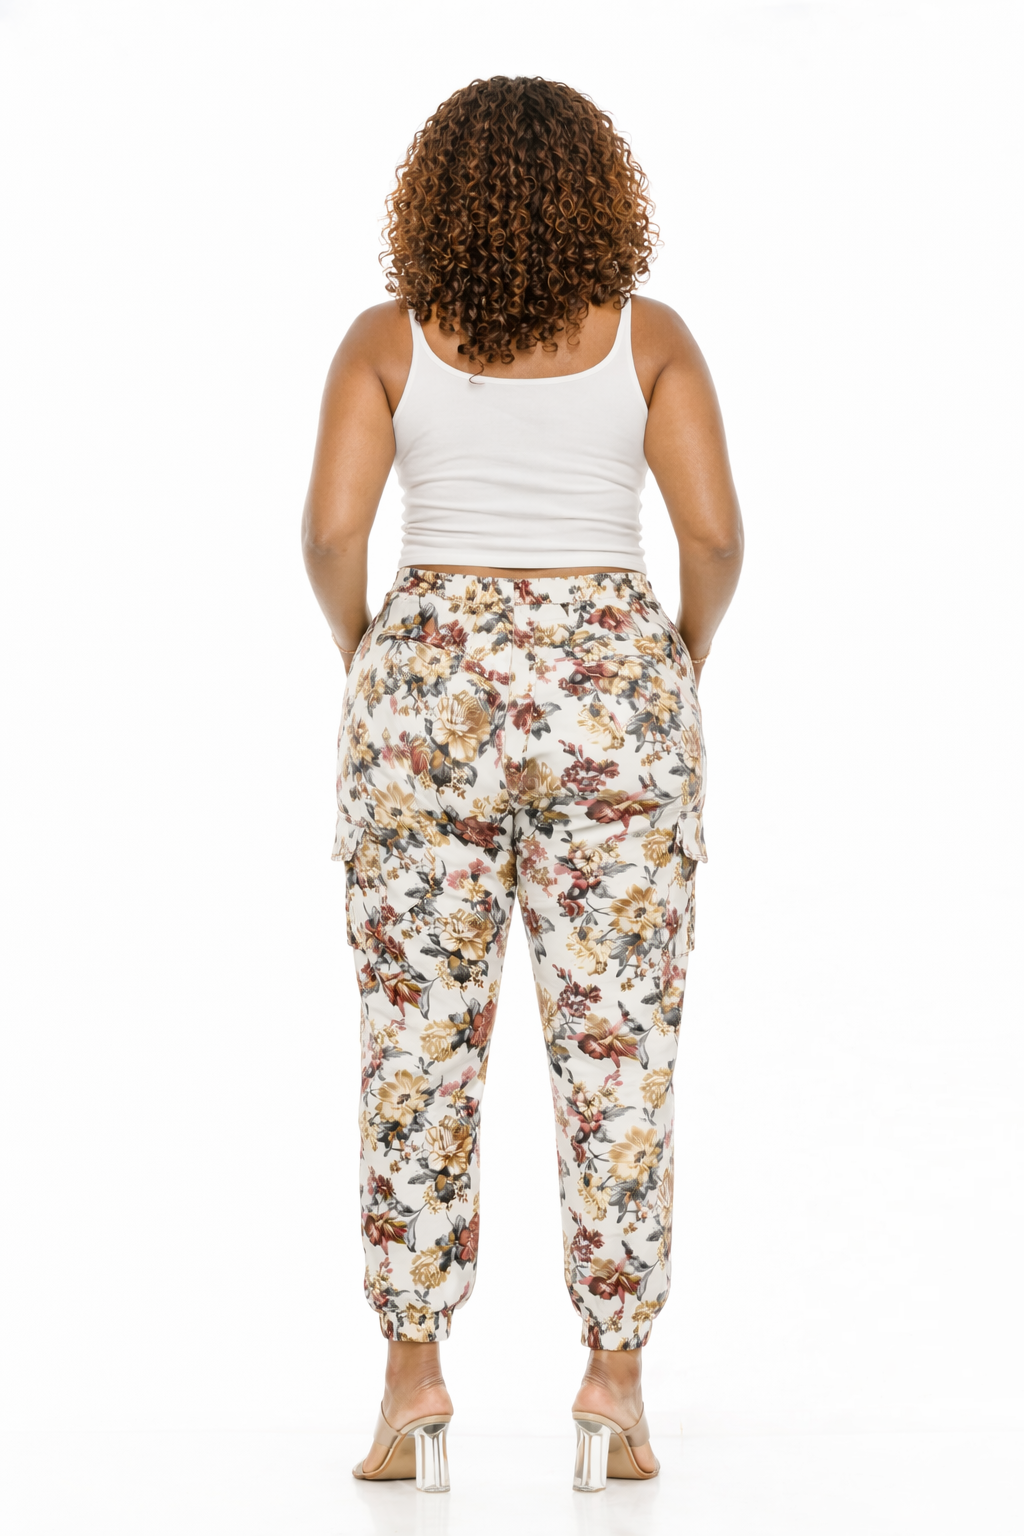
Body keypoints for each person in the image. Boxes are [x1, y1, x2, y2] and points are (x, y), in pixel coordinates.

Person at [302, 74, 743, 1494]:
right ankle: (614, 1385)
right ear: (602, 196)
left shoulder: (387, 340)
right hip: (613, 687)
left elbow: (333, 535)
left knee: (416, 1041)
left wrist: (373, 655)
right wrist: (675, 658)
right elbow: (713, 537)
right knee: (619, 1043)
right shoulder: (648, 339)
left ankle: (411, 1381)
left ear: (432, 201)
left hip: (426, 684)